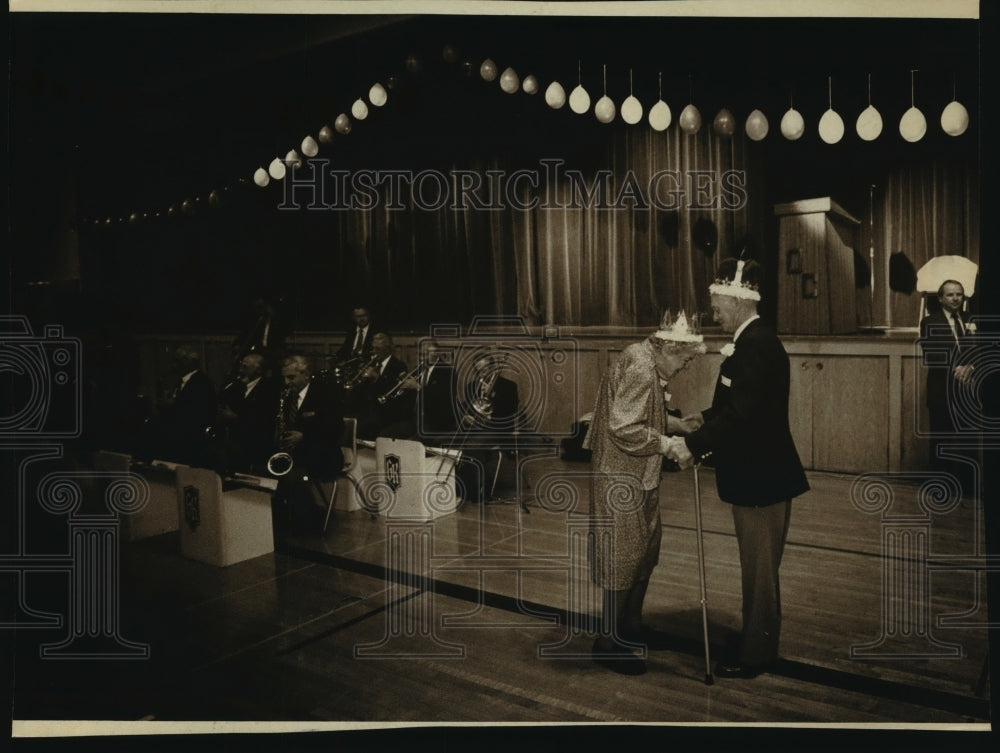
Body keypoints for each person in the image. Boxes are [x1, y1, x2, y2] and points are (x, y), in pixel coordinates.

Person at [665, 258, 809, 680]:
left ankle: (756, 655)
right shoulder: (753, 342)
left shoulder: (757, 345)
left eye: (717, 302)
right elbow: (735, 408)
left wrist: (692, 445)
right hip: (758, 474)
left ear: (739, 298)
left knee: (760, 572)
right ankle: (755, 638)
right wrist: (701, 421)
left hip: (760, 479)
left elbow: (742, 417)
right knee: (758, 568)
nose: (714, 310)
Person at [584, 312, 706, 675]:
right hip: (620, 477)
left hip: (639, 475)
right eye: (685, 359)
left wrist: (677, 424)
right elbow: (623, 426)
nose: (685, 367)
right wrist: (668, 444)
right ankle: (607, 641)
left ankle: (631, 625)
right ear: (669, 348)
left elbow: (641, 413)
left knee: (644, 551)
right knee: (622, 559)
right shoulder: (640, 366)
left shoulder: (644, 358)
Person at [274, 354, 345, 533]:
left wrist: (304, 436)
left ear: (305, 374)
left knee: (293, 475)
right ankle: (284, 519)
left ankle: (306, 522)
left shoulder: (326, 393)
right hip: (299, 453)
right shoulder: (287, 395)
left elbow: (336, 428)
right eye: (284, 377)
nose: (286, 382)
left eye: (291, 377)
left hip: (325, 453)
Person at [919, 279, 977, 496]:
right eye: (950, 295)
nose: (955, 298)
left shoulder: (972, 319)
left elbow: (983, 348)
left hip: (968, 391)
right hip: (941, 390)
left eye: (959, 294)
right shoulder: (928, 322)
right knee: (941, 440)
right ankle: (940, 489)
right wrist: (959, 369)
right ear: (941, 298)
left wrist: (972, 366)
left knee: (968, 441)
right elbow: (932, 354)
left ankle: (969, 490)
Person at [453, 351, 520, 503]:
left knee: (471, 446)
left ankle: (479, 491)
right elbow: (467, 408)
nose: (483, 373)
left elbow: (511, 411)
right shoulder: (472, 386)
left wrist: (490, 413)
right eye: (479, 370)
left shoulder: (508, 386)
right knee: (451, 442)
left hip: (498, 429)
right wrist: (466, 417)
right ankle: (459, 488)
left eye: (486, 368)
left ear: (493, 367)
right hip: (475, 429)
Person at [151, 345, 217, 466]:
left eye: (178, 361)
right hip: (179, 436)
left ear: (189, 362)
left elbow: (197, 411)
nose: (174, 365)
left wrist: (173, 406)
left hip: (191, 438)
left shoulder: (201, 382)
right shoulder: (181, 381)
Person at [217, 352, 281, 474]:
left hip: (254, 447)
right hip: (233, 444)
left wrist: (236, 418)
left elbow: (264, 419)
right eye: (241, 366)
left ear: (257, 370)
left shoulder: (269, 389)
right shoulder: (237, 386)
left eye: (245, 367)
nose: (241, 369)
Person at [351, 333, 416, 441]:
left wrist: (377, 377)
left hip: (388, 414)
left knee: (360, 428)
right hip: (371, 411)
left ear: (388, 349)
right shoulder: (373, 364)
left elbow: (394, 393)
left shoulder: (398, 366)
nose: (374, 352)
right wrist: (360, 380)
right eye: (373, 348)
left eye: (378, 349)